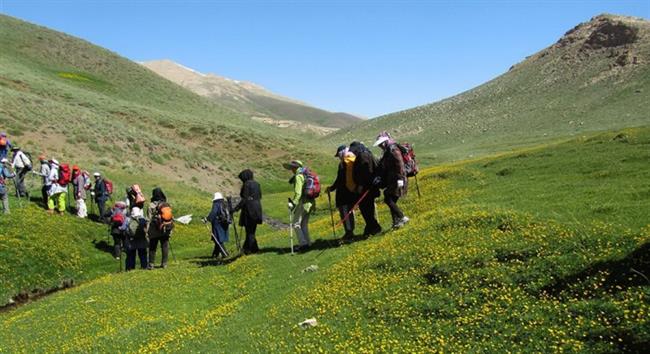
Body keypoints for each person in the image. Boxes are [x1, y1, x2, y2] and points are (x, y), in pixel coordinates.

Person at [373, 132, 409, 229]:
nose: (380, 146)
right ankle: (396, 223)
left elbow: (400, 166)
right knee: (391, 199)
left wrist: (400, 180)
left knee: (388, 199)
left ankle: (401, 217)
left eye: (381, 144)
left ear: (385, 142)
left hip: (397, 180)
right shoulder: (388, 150)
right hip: (393, 179)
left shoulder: (393, 150)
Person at [349, 141, 382, 236]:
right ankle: (370, 228)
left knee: (366, 208)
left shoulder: (363, 156)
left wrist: (360, 186)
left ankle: (375, 227)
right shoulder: (366, 153)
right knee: (367, 209)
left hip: (366, 188)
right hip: (369, 186)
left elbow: (364, 173)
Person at [326, 145, 359, 240]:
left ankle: (349, 233)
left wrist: (332, 188)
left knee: (345, 213)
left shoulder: (344, 163)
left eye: (339, 155)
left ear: (342, 153)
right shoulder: (348, 162)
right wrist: (332, 188)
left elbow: (340, 180)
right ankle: (349, 231)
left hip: (344, 194)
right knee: (348, 213)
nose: (339, 157)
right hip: (348, 192)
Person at [283, 160, 315, 252]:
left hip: (303, 202)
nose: (291, 170)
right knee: (304, 224)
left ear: (295, 168)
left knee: (296, 223)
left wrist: (292, 204)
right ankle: (308, 243)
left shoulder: (298, 176)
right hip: (310, 202)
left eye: (292, 167)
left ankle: (303, 244)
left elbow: (298, 193)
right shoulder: (305, 175)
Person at [232, 169, 263, 254]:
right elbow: (259, 196)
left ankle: (249, 250)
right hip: (257, 209)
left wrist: (235, 209)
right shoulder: (257, 184)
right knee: (251, 231)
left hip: (249, 210)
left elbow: (244, 199)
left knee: (249, 231)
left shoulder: (246, 184)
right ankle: (251, 249)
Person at [148, 187, 171, 269]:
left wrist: (147, 231)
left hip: (154, 229)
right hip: (165, 228)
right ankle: (164, 263)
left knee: (153, 246)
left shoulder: (151, 205)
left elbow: (149, 219)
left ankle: (151, 264)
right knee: (164, 246)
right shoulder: (166, 204)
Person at [206, 192, 230, 258]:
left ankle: (224, 253)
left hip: (218, 223)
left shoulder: (216, 204)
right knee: (217, 238)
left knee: (218, 239)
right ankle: (215, 254)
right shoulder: (225, 203)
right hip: (225, 223)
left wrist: (207, 219)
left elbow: (213, 213)